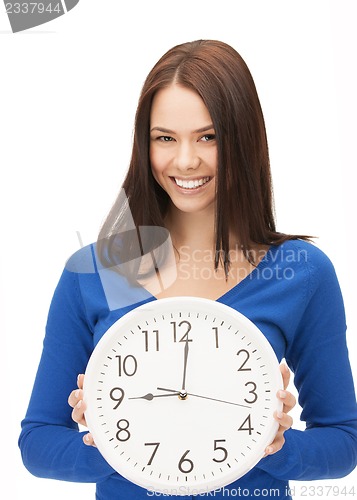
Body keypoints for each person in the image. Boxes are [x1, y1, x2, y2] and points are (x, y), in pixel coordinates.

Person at [19, 40, 357, 499]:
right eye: (165, 138)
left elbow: (343, 440)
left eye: (208, 136)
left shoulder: (301, 273)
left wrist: (275, 446)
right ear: (145, 144)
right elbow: (38, 442)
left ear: (244, 139)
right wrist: (112, 442)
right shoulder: (98, 271)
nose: (184, 161)